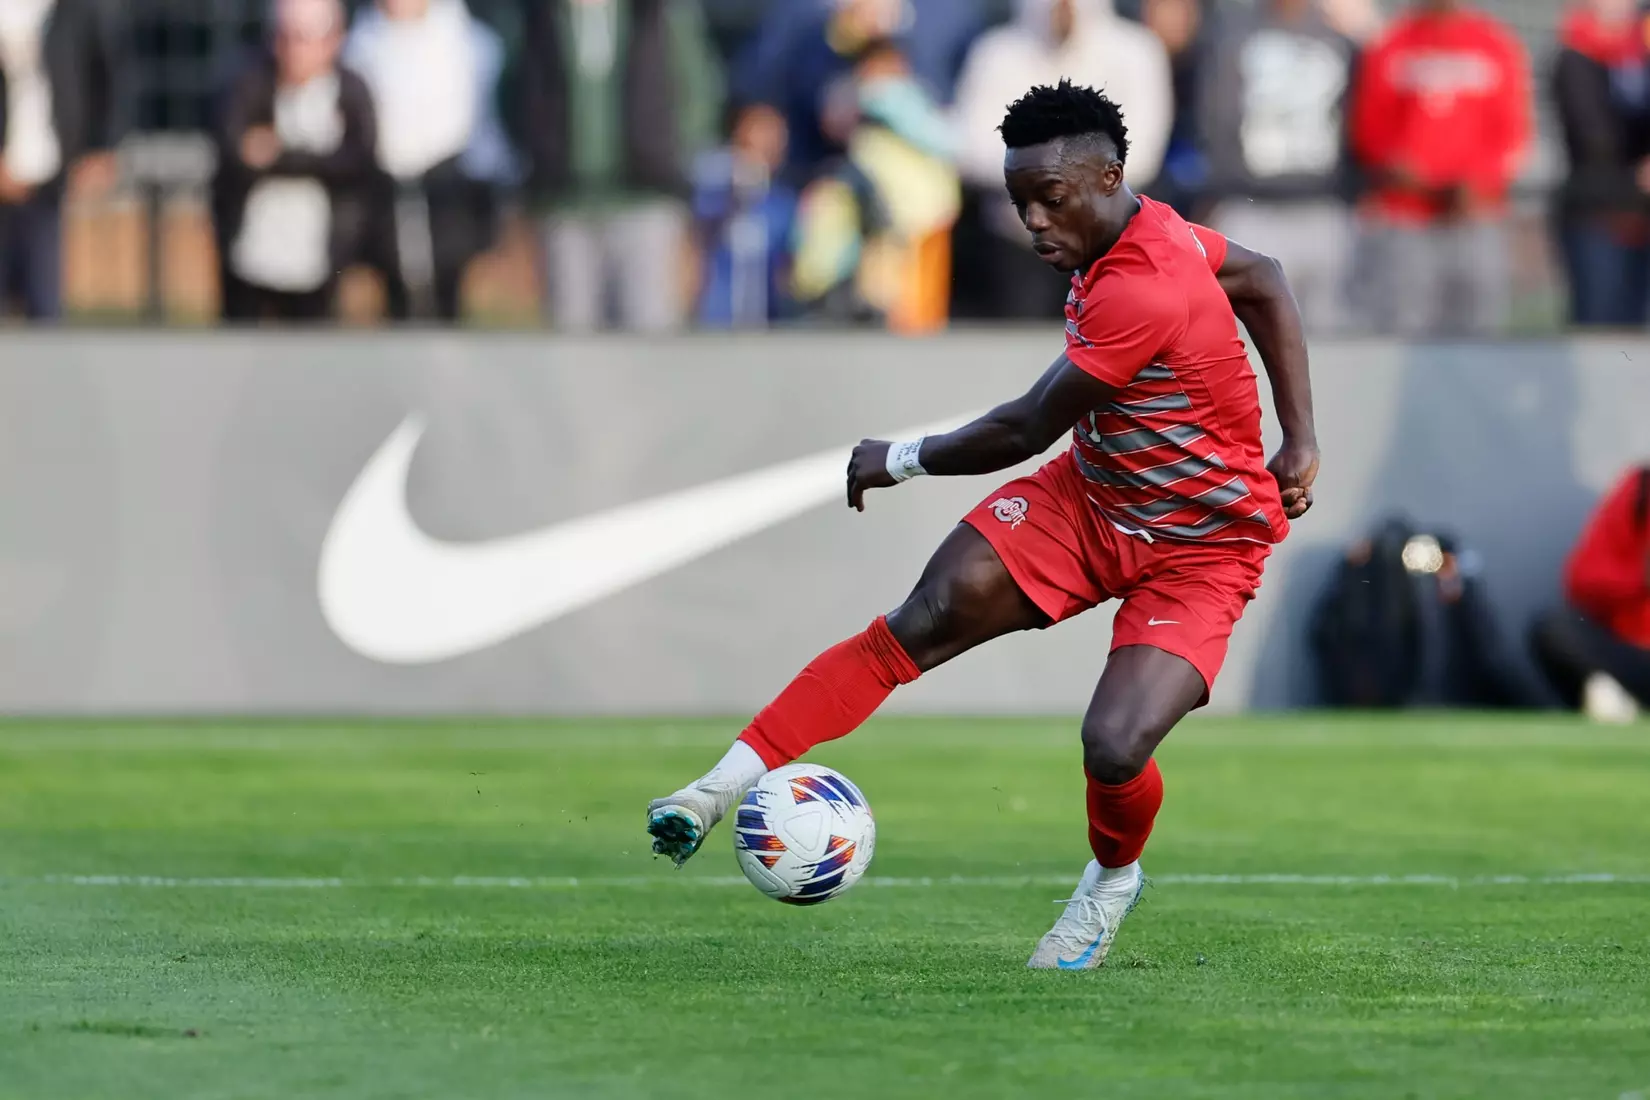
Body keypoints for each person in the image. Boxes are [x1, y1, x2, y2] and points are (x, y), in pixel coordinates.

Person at [645, 80, 1319, 969]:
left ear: (1109, 177)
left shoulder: (1145, 288)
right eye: (1019, 201)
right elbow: (1262, 278)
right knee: (925, 615)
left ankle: (1111, 881)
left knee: (1115, 745)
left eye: (1051, 198)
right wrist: (1300, 438)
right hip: (1092, 499)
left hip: (1203, 543)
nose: (1033, 221)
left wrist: (900, 457)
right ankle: (714, 789)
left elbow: (1024, 427)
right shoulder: (1156, 234)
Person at [951, 0, 1172, 319]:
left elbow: (1142, 153)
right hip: (1019, 246)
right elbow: (972, 149)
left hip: (1110, 247)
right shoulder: (997, 53)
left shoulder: (1136, 52)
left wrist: (1047, 170)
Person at [513, 0, 723, 334]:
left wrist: (668, 151)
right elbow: (512, 93)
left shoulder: (655, 13)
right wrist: (538, 152)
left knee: (648, 327)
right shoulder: (542, 17)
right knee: (571, 330)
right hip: (565, 204)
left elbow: (699, 92)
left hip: (645, 200)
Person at [1349, 0, 1532, 337]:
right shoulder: (1393, 43)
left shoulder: (1493, 43)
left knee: (1481, 334)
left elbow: (1511, 132)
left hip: (1476, 215)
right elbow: (1371, 131)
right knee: (1405, 330)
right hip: (1408, 216)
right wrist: (1403, 171)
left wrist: (1477, 182)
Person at [212, 0, 377, 324]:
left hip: (321, 257)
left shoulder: (351, 92)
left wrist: (281, 154)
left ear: (334, 39)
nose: (293, 50)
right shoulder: (250, 83)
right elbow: (234, 150)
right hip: (251, 255)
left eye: (304, 38)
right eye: (284, 37)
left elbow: (357, 161)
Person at [344, 0, 510, 322]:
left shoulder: (471, 42)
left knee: (448, 294)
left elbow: (486, 130)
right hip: (386, 193)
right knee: (397, 297)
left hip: (451, 189)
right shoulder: (360, 44)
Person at [1199, 0, 1358, 333]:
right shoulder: (1234, 37)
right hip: (1251, 208)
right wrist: (1222, 188)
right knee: (1244, 336)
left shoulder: (1339, 40)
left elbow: (1354, 123)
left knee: (1329, 337)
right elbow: (1216, 120)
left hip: (1321, 209)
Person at [0, 0, 130, 321]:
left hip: (47, 176)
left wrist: (101, 149)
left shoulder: (74, 12)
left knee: (44, 301)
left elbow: (108, 77)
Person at [1552, 0, 1650, 328]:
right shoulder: (1575, 58)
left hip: (1638, 212)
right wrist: (1637, 174)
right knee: (1601, 327)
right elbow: (1593, 138)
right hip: (1598, 215)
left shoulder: (1639, 59)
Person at [1532, 466, 1650, 723]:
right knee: (1555, 629)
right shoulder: (1641, 486)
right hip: (1631, 653)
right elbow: (1581, 579)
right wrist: (1640, 577)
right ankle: (1618, 699)